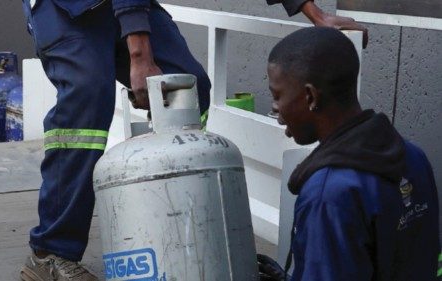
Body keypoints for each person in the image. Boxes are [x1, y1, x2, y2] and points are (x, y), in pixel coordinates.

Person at [19, 0, 368, 280]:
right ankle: (52, 251)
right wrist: (140, 56)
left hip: (129, 5)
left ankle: (171, 217)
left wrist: (314, 13)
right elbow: (137, 60)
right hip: (65, 8)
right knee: (88, 100)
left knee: (188, 86)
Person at [258, 26, 440, 281]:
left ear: (310, 96)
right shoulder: (414, 157)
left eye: (277, 95)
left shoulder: (328, 195)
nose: (276, 110)